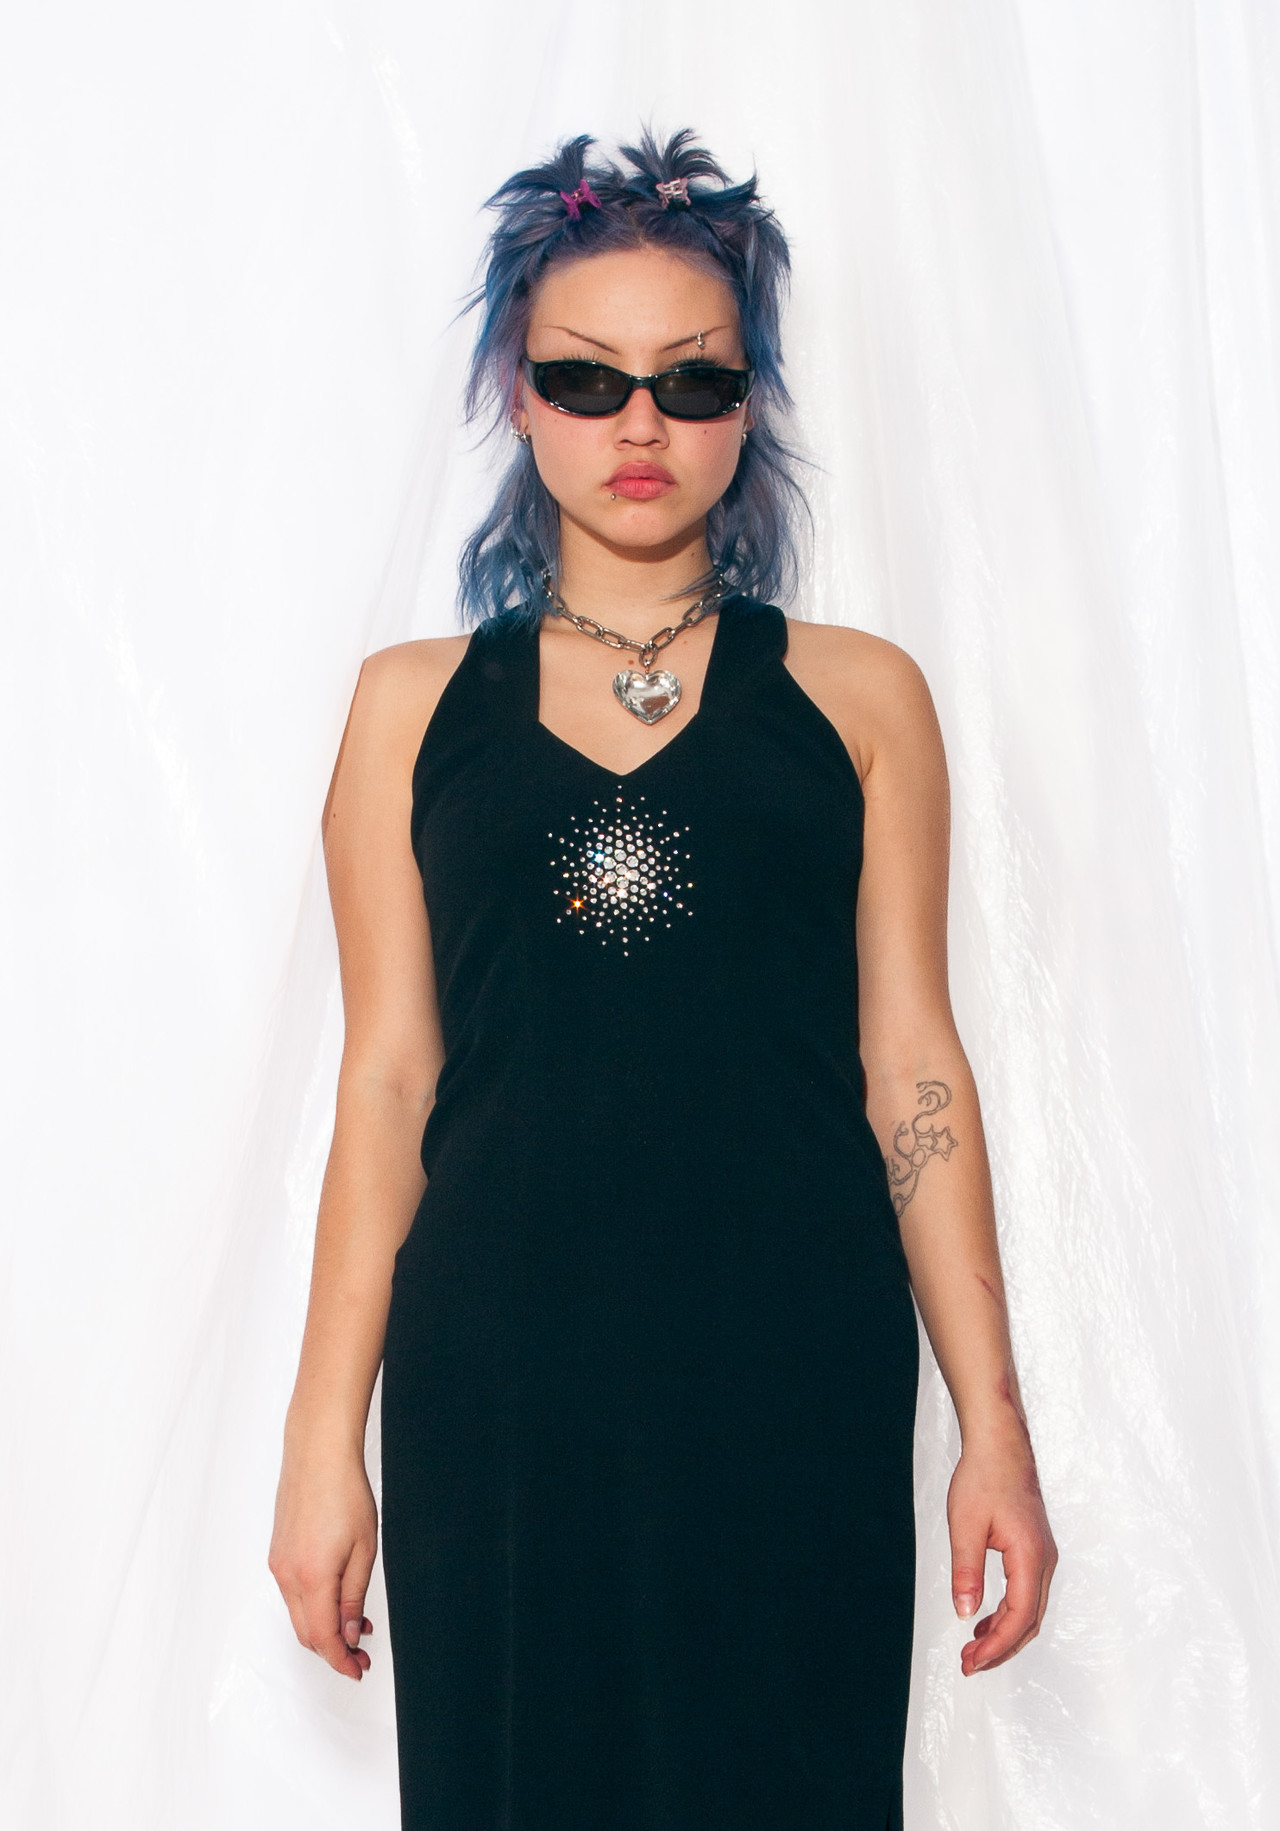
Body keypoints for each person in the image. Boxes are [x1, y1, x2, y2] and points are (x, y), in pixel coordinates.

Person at [268, 128, 1057, 1831]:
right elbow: (388, 1083)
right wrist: (320, 1442)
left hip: (793, 1365)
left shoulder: (860, 696)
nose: (640, 426)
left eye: (691, 382)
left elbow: (912, 1064)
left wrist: (995, 1427)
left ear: (750, 403)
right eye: (587, 376)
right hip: (500, 1376)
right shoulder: (408, 709)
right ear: (519, 391)